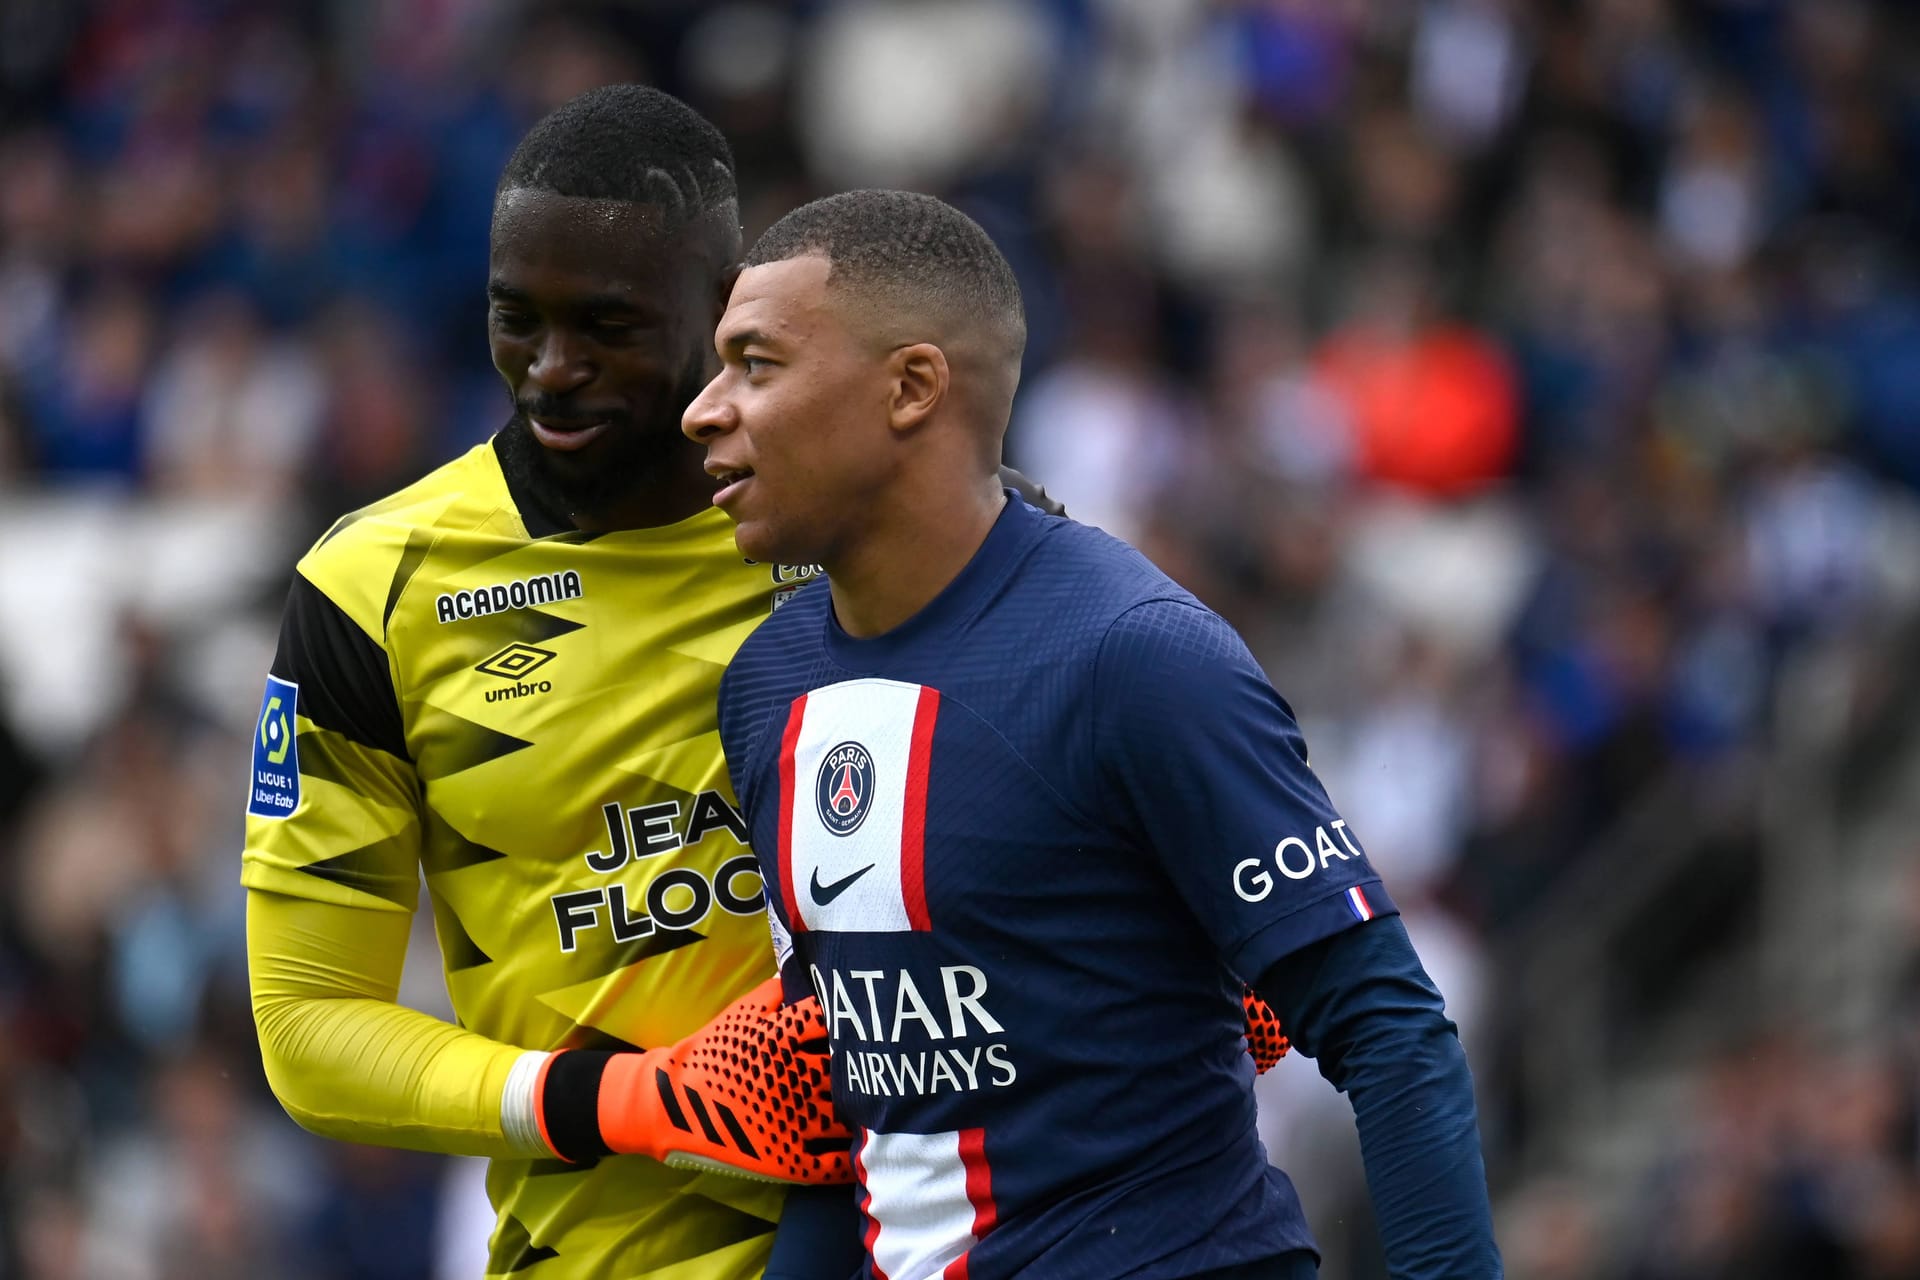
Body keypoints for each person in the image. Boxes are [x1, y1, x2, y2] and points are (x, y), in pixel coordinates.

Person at [243, 86, 1280, 1279]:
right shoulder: (372, 589)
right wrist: (630, 1101)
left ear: (727, 303)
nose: (552, 371)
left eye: (612, 326)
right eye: (515, 318)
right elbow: (308, 1026)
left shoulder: (906, 525)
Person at [692, 190, 1503, 1278]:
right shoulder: (766, 685)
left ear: (911, 387)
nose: (705, 409)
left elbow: (1392, 1025)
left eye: (756, 364)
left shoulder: (1133, 655)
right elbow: (853, 1116)